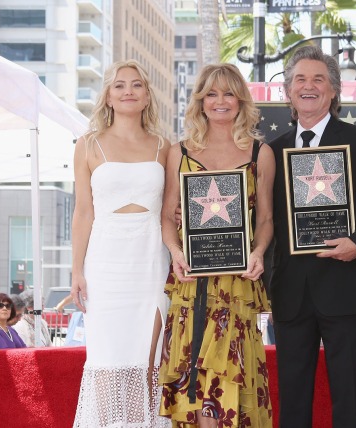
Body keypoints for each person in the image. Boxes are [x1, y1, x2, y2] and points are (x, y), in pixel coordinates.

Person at [270, 45, 356, 427]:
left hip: (345, 286)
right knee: (293, 400)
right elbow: (260, 217)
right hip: (290, 292)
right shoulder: (271, 152)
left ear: (333, 91)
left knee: (349, 398)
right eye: (300, 80)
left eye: (318, 80)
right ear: (288, 92)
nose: (308, 86)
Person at [160, 63, 274, 427]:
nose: (220, 101)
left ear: (240, 100)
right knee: (197, 381)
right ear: (200, 101)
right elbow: (166, 216)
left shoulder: (260, 153)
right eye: (212, 93)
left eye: (228, 93)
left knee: (228, 377)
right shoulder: (179, 152)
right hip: (192, 284)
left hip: (236, 286)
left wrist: (257, 253)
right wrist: (177, 253)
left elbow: (266, 220)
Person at [70, 60, 170, 428]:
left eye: (137, 85)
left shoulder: (164, 146)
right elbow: (83, 212)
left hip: (150, 263)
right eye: (119, 85)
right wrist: (76, 270)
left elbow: (170, 214)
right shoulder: (87, 145)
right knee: (108, 364)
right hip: (105, 265)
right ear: (108, 96)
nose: (128, 91)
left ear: (146, 97)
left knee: (148, 361)